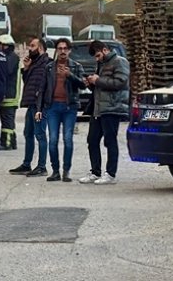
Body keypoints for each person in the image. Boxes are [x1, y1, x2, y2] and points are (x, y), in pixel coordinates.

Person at [79, 40, 129, 185]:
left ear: (105, 50)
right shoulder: (101, 64)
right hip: (98, 108)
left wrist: (98, 80)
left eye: (98, 55)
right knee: (92, 140)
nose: (97, 58)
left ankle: (110, 174)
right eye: (95, 57)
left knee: (110, 140)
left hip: (112, 108)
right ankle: (95, 172)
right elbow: (100, 88)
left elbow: (120, 83)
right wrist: (91, 83)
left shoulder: (120, 62)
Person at [39, 37, 87, 182]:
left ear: (69, 50)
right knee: (53, 139)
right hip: (53, 107)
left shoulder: (76, 66)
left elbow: (83, 85)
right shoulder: (49, 67)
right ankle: (55, 170)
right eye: (60, 49)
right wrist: (39, 108)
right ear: (56, 51)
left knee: (68, 139)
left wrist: (69, 75)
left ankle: (66, 171)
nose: (63, 51)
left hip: (69, 107)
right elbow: (43, 88)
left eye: (65, 49)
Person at [8, 37, 50, 175]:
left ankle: (42, 167)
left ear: (41, 48)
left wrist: (41, 107)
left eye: (32, 46)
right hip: (32, 104)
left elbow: (45, 87)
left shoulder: (46, 64)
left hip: (40, 106)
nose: (29, 49)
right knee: (28, 134)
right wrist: (26, 69)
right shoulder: (35, 63)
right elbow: (29, 83)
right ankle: (27, 164)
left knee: (40, 134)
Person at [0, 34, 21, 150]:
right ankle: (12, 141)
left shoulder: (11, 57)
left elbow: (7, 71)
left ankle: (6, 143)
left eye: (0, 45)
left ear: (6, 45)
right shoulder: (11, 56)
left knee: (7, 119)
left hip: (9, 94)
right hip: (9, 93)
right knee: (7, 119)